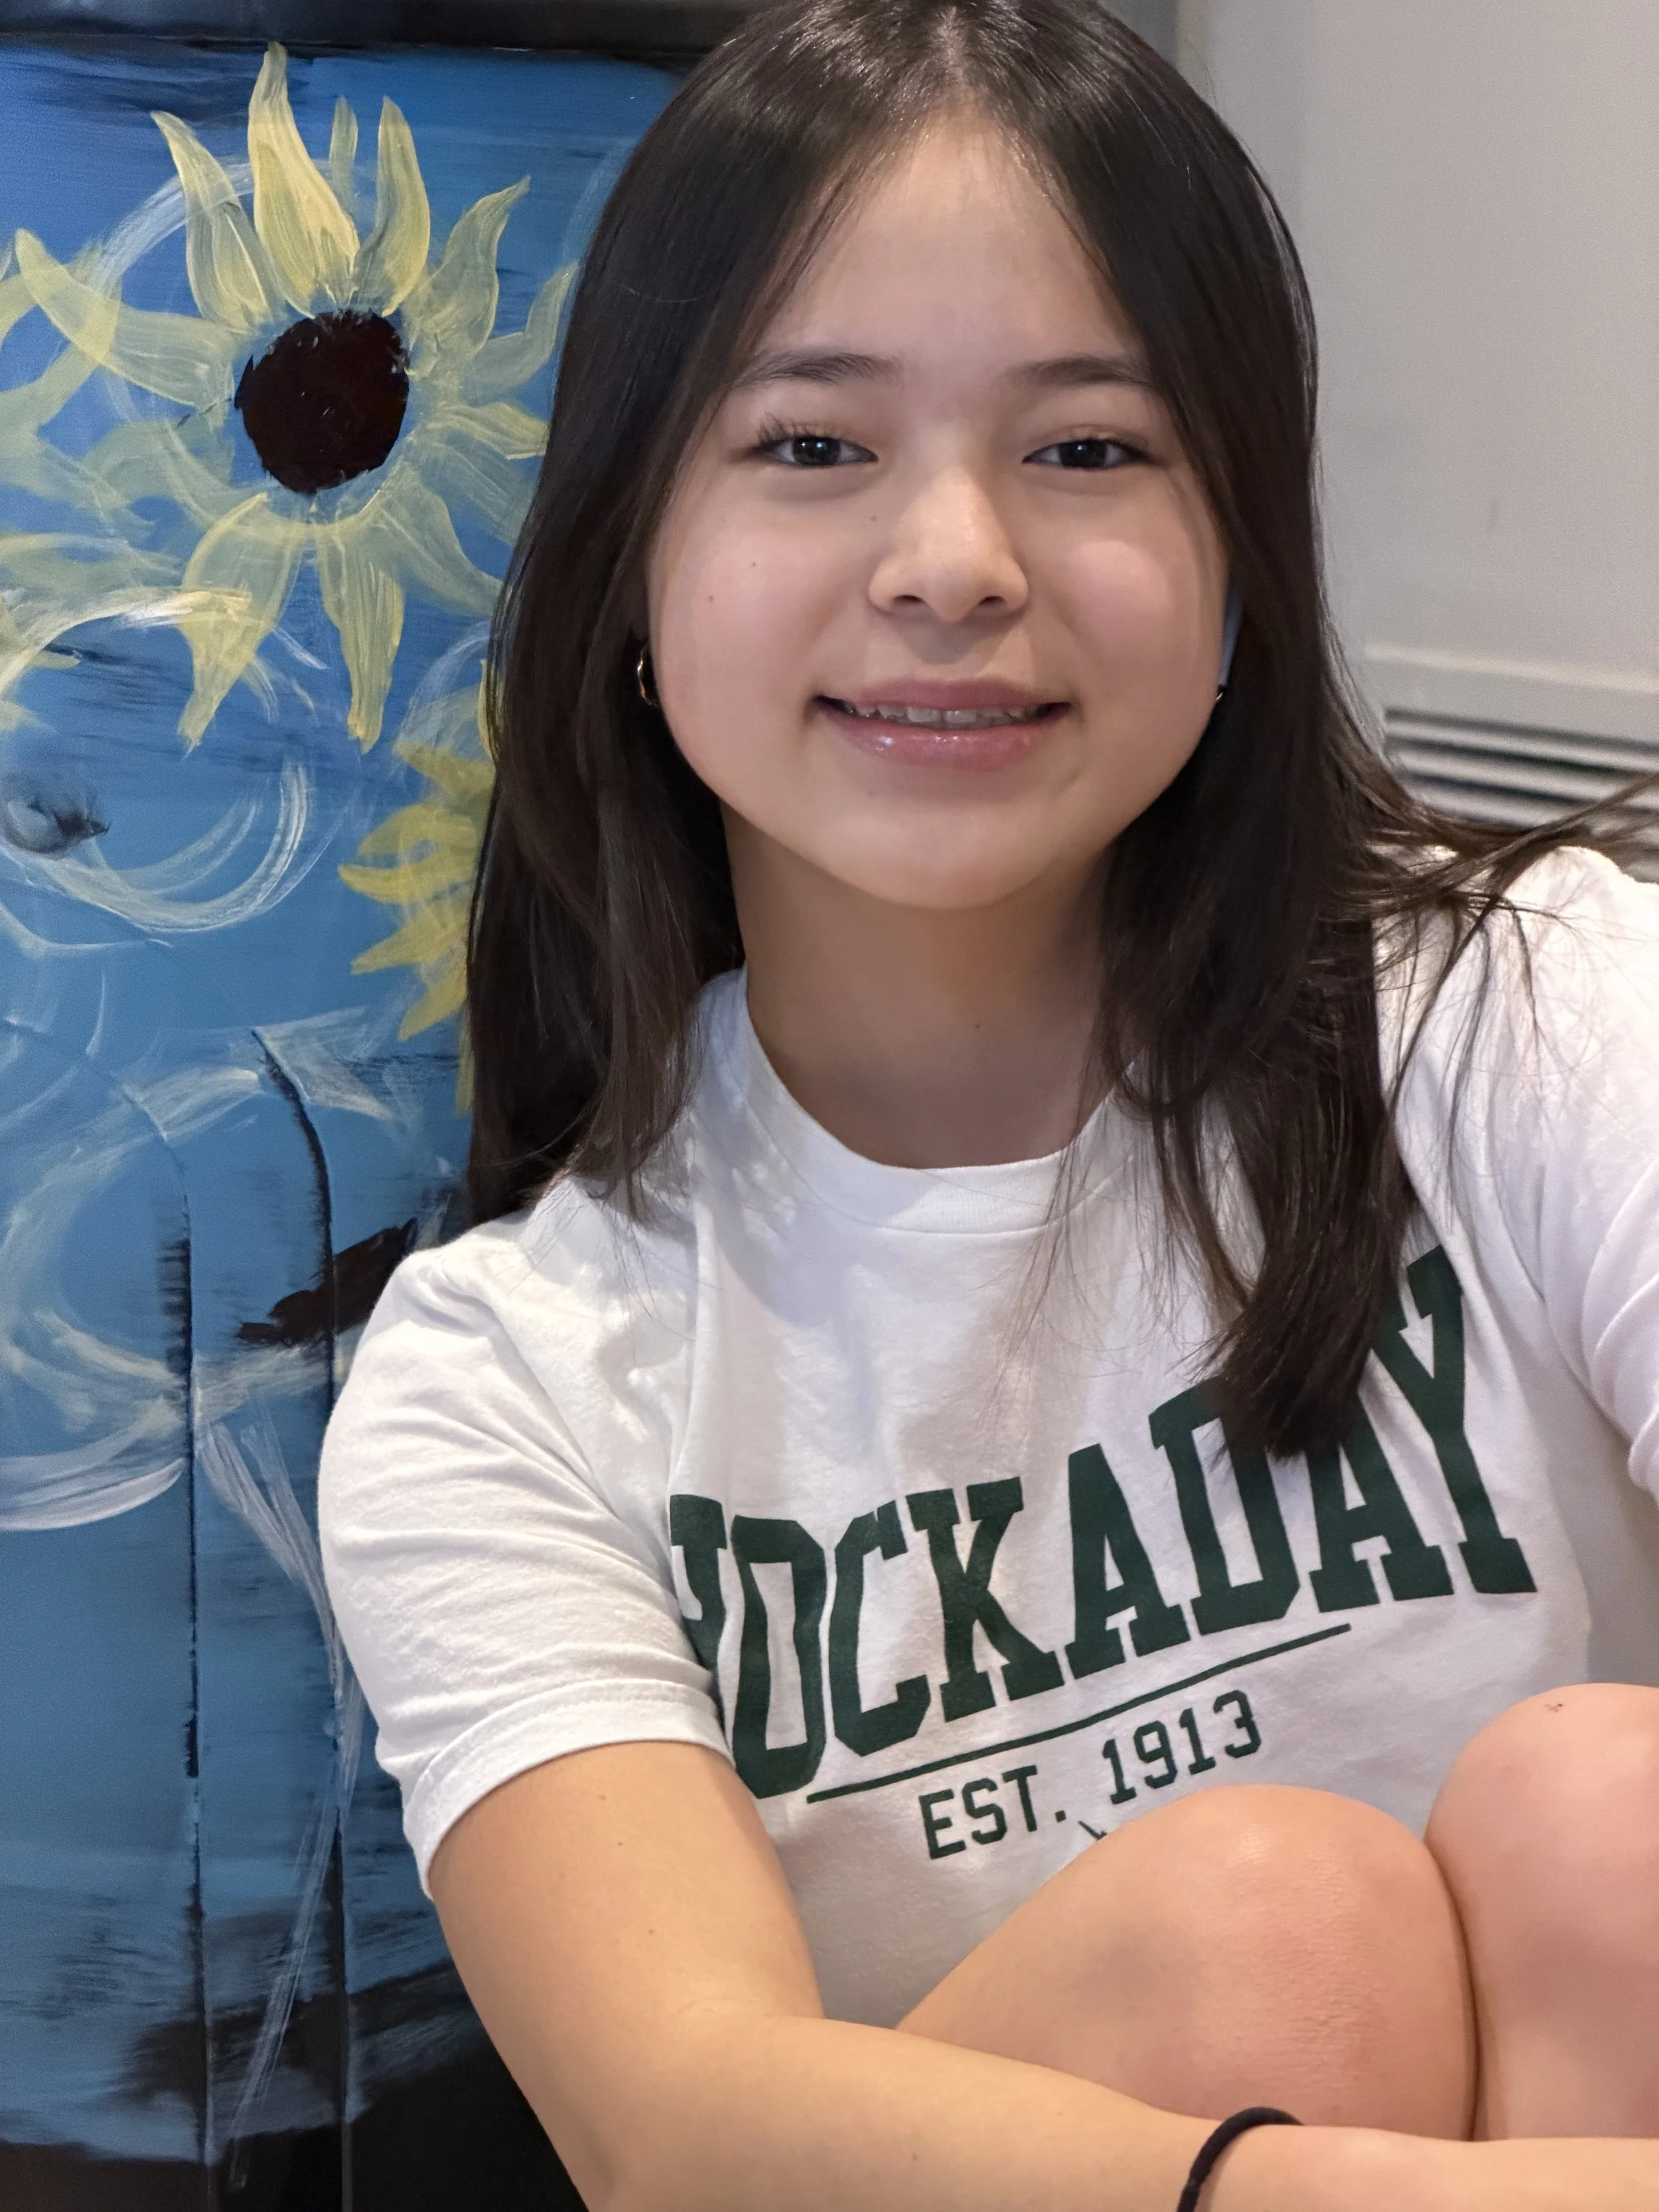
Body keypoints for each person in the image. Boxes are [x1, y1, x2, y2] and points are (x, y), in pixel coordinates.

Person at [317, 1, 1659, 2203]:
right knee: (1266, 1929)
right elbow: (682, 2124)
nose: (954, 559)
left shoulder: (1522, 1012)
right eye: (811, 446)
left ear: (1241, 559)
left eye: (1090, 447)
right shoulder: (501, 1375)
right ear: (628, 574)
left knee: (1605, 1800)